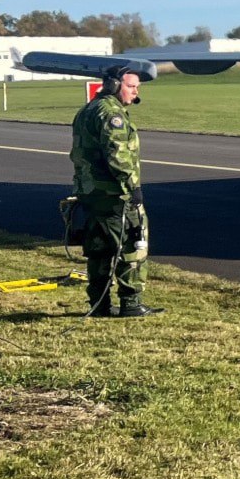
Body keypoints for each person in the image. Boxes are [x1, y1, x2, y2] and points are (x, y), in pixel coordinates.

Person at [69, 66, 162, 317]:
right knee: (132, 244)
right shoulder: (112, 115)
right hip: (114, 195)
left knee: (99, 249)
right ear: (114, 85)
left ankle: (98, 304)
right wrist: (133, 188)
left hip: (91, 193)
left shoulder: (87, 110)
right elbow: (118, 156)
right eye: (131, 86)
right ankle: (131, 303)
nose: (136, 92)